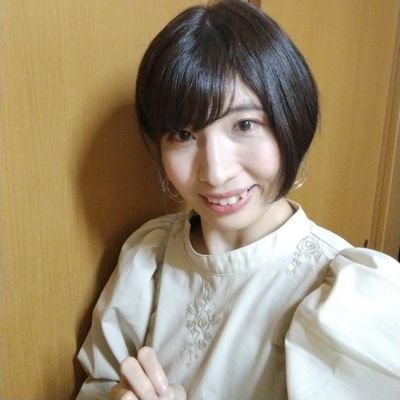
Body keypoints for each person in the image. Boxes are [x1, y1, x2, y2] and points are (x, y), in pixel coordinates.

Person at [76, 1, 400, 399]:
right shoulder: (149, 256)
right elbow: (99, 382)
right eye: (183, 134)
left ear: (292, 120)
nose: (215, 172)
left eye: (245, 125)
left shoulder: (346, 294)